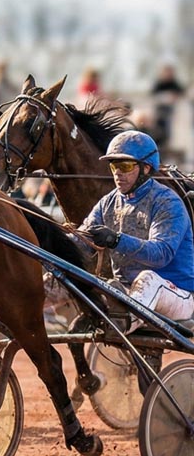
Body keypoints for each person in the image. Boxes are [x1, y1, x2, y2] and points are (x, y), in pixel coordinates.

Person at [80, 131, 194, 330]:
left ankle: (121, 325)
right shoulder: (108, 202)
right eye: (114, 166)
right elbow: (81, 241)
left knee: (148, 279)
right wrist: (44, 237)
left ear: (146, 168)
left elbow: (161, 255)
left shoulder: (167, 201)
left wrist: (116, 240)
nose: (118, 173)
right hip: (128, 292)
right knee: (60, 276)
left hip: (177, 297)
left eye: (125, 166)